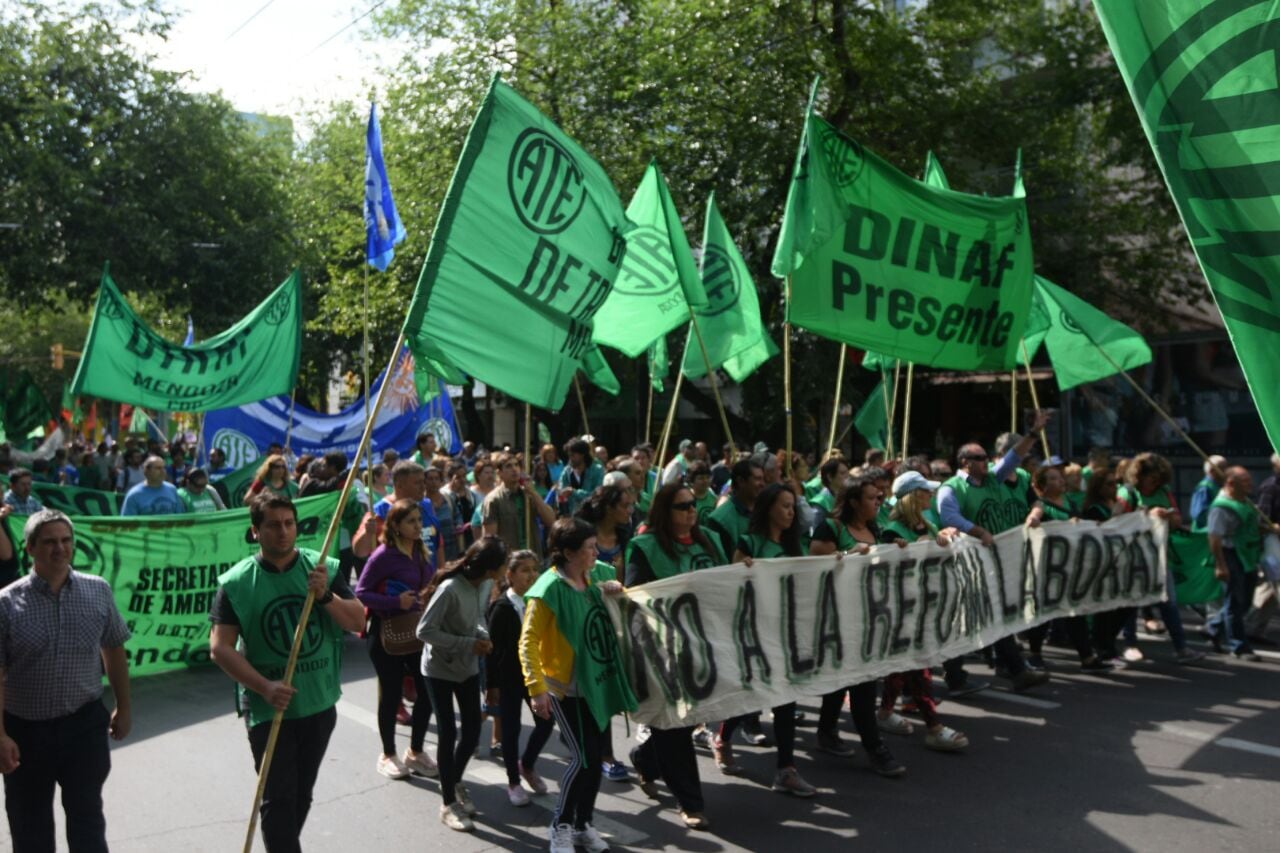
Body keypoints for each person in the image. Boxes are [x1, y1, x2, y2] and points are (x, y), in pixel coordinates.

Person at [209, 495, 365, 853]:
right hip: (268, 709)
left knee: (301, 794)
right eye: (273, 525)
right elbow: (220, 648)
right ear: (255, 531)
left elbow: (358, 622)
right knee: (277, 799)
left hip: (319, 702)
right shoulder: (236, 583)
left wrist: (325, 596)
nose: (283, 532)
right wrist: (264, 687)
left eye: (289, 523)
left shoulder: (320, 567)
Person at [0, 509, 132, 853]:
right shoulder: (6, 603)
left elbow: (114, 650)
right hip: (25, 733)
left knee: (88, 819)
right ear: (29, 548)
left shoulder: (98, 591)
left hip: (84, 727)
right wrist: (0, 735)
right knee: (30, 828)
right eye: (49, 542)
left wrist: (124, 707)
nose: (59, 548)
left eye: (65, 541)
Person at [522, 518, 637, 852]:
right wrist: (536, 688)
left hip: (597, 684)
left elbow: (621, 602)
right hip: (563, 689)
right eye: (589, 548)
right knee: (582, 759)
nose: (596, 552)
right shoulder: (548, 589)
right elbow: (527, 641)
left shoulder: (599, 572)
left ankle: (583, 824)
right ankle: (560, 825)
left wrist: (618, 591)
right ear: (569, 553)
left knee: (596, 757)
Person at [625, 482, 719, 830]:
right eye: (682, 506)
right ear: (665, 511)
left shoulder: (710, 539)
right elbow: (635, 597)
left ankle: (645, 759)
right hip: (665, 647)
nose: (691, 511)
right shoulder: (645, 547)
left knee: (681, 721)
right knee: (676, 724)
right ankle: (690, 801)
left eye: (693, 504)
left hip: (707, 643)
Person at [936, 421, 1056, 690]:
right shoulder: (952, 487)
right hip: (966, 562)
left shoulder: (993, 478)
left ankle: (992, 671)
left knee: (986, 615)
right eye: (980, 459)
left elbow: (1014, 457)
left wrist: (1034, 434)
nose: (987, 462)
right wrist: (978, 531)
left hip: (995, 561)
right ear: (965, 461)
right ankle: (1008, 670)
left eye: (987, 458)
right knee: (973, 617)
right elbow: (949, 516)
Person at [719, 483, 818, 797]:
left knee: (786, 698)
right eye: (785, 505)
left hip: (784, 633)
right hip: (754, 635)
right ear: (768, 508)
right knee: (750, 694)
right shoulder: (749, 543)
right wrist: (742, 571)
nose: (791, 512)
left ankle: (785, 770)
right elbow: (731, 587)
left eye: (793, 506)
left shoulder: (793, 546)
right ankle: (722, 738)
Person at [807, 475, 907, 777]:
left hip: (867, 617)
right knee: (862, 683)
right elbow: (815, 568)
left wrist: (899, 548)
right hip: (837, 619)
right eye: (871, 498)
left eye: (879, 497)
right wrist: (849, 556)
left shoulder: (875, 529)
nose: (878, 502)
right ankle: (876, 749)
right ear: (853, 502)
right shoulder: (831, 528)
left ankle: (826, 732)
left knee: (843, 679)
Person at [873, 472, 971, 751]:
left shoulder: (927, 523)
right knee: (919, 666)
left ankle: (884, 712)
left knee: (904, 665)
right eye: (925, 491)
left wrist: (944, 536)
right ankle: (934, 727)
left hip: (923, 607)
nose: (931, 495)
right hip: (902, 609)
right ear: (914, 496)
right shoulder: (893, 530)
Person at [416, 536, 507, 832]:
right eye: (504, 565)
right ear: (492, 568)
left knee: (471, 732)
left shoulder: (483, 585)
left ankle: (453, 781)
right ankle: (447, 803)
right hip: (439, 669)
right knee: (447, 733)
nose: (505, 570)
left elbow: (477, 616)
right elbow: (424, 631)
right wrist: (468, 643)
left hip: (466, 666)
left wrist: (480, 634)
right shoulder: (449, 589)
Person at [354, 499, 438, 780]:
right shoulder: (383, 555)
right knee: (390, 695)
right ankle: (388, 754)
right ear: (396, 527)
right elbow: (361, 593)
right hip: (386, 633)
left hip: (417, 632)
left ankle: (415, 751)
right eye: (411, 521)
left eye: (419, 520)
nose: (418, 526)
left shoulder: (421, 552)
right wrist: (394, 602)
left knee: (427, 692)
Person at [1112, 452, 1203, 663]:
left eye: (1158, 479)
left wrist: (1169, 517)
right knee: (1131, 602)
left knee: (1169, 602)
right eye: (1151, 478)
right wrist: (1147, 515)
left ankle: (1181, 648)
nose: (1155, 483)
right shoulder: (1128, 493)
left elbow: (1178, 520)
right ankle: (1130, 644)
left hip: (1161, 556)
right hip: (1134, 556)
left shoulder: (1165, 491)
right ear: (1139, 475)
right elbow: (1116, 520)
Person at [486, 549, 554, 807]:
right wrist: (491, 685)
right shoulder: (502, 607)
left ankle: (526, 764)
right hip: (509, 678)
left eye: (534, 570)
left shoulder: (540, 600)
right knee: (510, 730)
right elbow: (492, 650)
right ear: (510, 575)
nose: (531, 575)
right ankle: (513, 782)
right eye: (525, 570)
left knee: (546, 721)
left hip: (536, 675)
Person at [1204, 467, 1277, 661]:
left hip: (1247, 556)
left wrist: (1267, 529)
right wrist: (1221, 565)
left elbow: (1249, 528)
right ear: (1230, 483)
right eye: (1245, 481)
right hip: (1230, 554)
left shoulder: (1245, 503)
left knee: (1243, 601)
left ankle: (1213, 627)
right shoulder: (1221, 507)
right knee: (1235, 602)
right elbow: (1214, 538)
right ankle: (1239, 646)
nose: (1250, 485)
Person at [483, 453, 557, 558]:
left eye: (516, 465)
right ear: (499, 473)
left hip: (533, 556)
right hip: (509, 560)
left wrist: (534, 493)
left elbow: (551, 521)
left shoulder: (528, 495)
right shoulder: (493, 500)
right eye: (508, 466)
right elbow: (490, 539)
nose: (514, 469)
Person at [121, 455, 187, 516]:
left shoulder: (172, 489)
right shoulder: (134, 494)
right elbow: (127, 523)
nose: (163, 471)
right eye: (158, 468)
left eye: (164, 468)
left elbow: (181, 516)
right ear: (146, 471)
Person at [558, 438, 604, 518]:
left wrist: (574, 492)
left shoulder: (598, 470)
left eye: (573, 455)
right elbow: (561, 491)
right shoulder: (566, 471)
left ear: (582, 454)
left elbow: (596, 496)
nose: (570, 459)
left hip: (592, 517)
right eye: (569, 456)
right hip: (572, 518)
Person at [1189, 455, 1228, 533]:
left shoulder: (1219, 486)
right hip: (1204, 534)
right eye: (1222, 468)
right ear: (1212, 470)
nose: (1226, 471)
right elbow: (1199, 514)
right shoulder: (1204, 487)